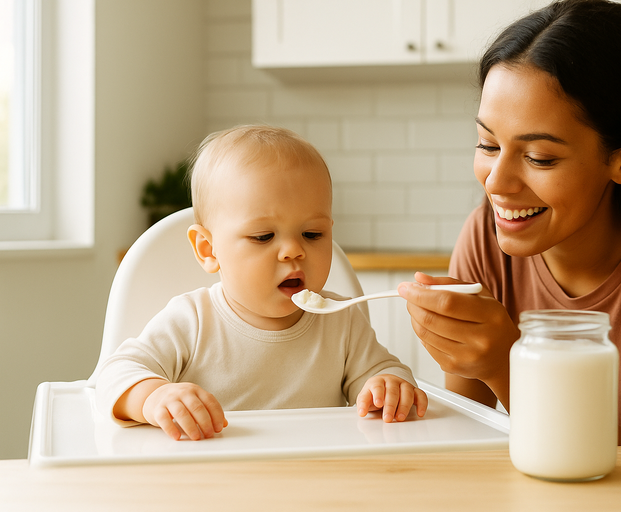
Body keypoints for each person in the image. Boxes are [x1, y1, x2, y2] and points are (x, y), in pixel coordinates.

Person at [398, 0, 621, 445]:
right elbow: (467, 438)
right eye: (488, 145)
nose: (496, 183)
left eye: (540, 157)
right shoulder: (485, 238)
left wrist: (509, 365)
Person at [96, 125, 427, 441]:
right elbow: (116, 374)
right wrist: (155, 397)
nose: (294, 250)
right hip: (215, 481)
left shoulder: (340, 322)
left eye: (313, 234)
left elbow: (382, 370)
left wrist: (388, 385)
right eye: (263, 236)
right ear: (208, 250)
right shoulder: (192, 320)